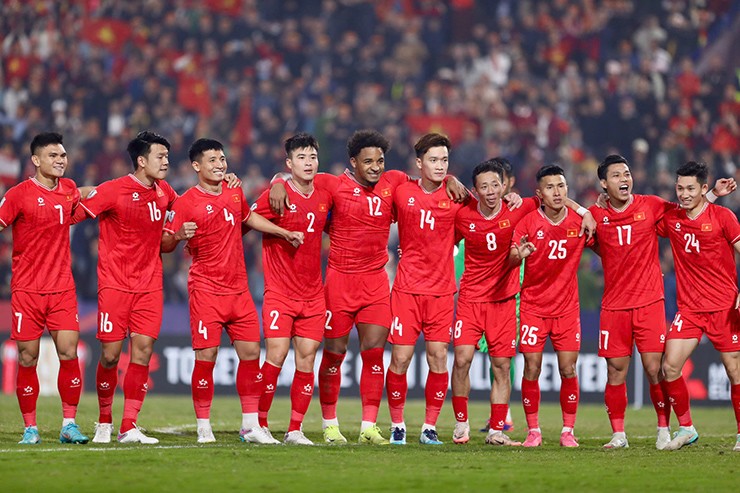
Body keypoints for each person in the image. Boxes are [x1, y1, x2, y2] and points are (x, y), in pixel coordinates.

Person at [268, 129, 467, 445]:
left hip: (375, 284)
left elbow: (429, 179)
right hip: (339, 282)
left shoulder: (394, 182)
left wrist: (452, 178)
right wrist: (277, 182)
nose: (376, 167)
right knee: (334, 354)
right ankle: (330, 425)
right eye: (369, 161)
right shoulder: (333, 184)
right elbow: (295, 177)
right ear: (353, 162)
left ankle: (368, 426)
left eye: (380, 161)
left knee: (374, 355)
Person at [161, 138, 303, 444]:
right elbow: (164, 242)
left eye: (222, 159)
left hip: (239, 290)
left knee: (251, 354)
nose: (220, 164)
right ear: (196, 166)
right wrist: (178, 236)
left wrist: (283, 232)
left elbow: (247, 217)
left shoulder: (233, 190)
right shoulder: (185, 202)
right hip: (206, 289)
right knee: (207, 356)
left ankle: (250, 427)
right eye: (212, 160)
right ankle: (203, 426)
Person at [589, 154, 734, 450]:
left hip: (657, 302)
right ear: (603, 183)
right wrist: (582, 210)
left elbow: (691, 208)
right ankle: (622, 434)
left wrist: (712, 194)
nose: (624, 179)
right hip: (621, 305)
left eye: (627, 173)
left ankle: (664, 429)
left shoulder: (652, 206)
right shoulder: (595, 214)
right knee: (623, 370)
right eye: (616, 175)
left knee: (659, 369)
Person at [451, 160, 594, 445]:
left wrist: (584, 210)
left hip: (504, 300)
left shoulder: (519, 208)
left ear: (504, 186)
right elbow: (446, 240)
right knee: (462, 360)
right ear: (475, 190)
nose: (491, 191)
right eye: (484, 186)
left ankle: (497, 430)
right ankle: (461, 424)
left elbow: (555, 197)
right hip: (471, 298)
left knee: (502, 367)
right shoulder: (463, 215)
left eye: (495, 185)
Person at [79, 131, 178, 444]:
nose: (166, 162)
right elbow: (76, 212)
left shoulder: (165, 192)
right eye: (160, 156)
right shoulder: (114, 190)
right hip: (115, 284)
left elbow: (188, 207)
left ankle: (129, 425)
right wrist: (71, 193)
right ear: (141, 161)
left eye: (167, 156)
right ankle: (104, 421)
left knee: (143, 351)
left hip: (150, 285)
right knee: (110, 356)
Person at [0, 132, 88, 445]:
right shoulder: (18, 195)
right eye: (53, 155)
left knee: (69, 353)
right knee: (27, 358)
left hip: (62, 288)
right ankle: (30, 428)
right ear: (36, 160)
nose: (61, 160)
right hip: (27, 290)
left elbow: (83, 196)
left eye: (63, 155)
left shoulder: (68, 188)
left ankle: (69, 424)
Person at [251, 133, 333, 445]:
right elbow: (248, 217)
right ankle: (258, 424)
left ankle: (295, 429)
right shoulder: (277, 194)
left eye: (312, 157)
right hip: (280, 292)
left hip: (313, 294)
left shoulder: (325, 194)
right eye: (301, 158)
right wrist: (282, 232)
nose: (308, 163)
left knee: (307, 359)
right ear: (289, 163)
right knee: (276, 354)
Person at [385, 133, 467, 445]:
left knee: (438, 358)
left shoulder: (457, 196)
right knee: (400, 359)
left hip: (442, 292)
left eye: (444, 160)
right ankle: (397, 425)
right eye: (433, 160)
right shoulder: (401, 190)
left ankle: (429, 427)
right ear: (419, 163)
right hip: (406, 289)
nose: (440, 166)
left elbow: (489, 211)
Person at [657, 161, 740, 451]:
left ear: (703, 188)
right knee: (669, 367)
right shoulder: (672, 219)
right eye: (680, 188)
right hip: (690, 309)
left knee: (735, 371)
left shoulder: (723, 217)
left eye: (691, 188)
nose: (684, 194)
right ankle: (687, 428)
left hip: (724, 306)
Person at [510, 165, 592, 448]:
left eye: (561, 186)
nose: (557, 192)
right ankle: (533, 431)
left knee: (568, 369)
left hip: (567, 309)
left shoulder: (580, 222)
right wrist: (518, 255)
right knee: (531, 368)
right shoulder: (528, 223)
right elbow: (511, 257)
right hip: (533, 307)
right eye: (550, 187)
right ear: (539, 193)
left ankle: (568, 431)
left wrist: (585, 211)